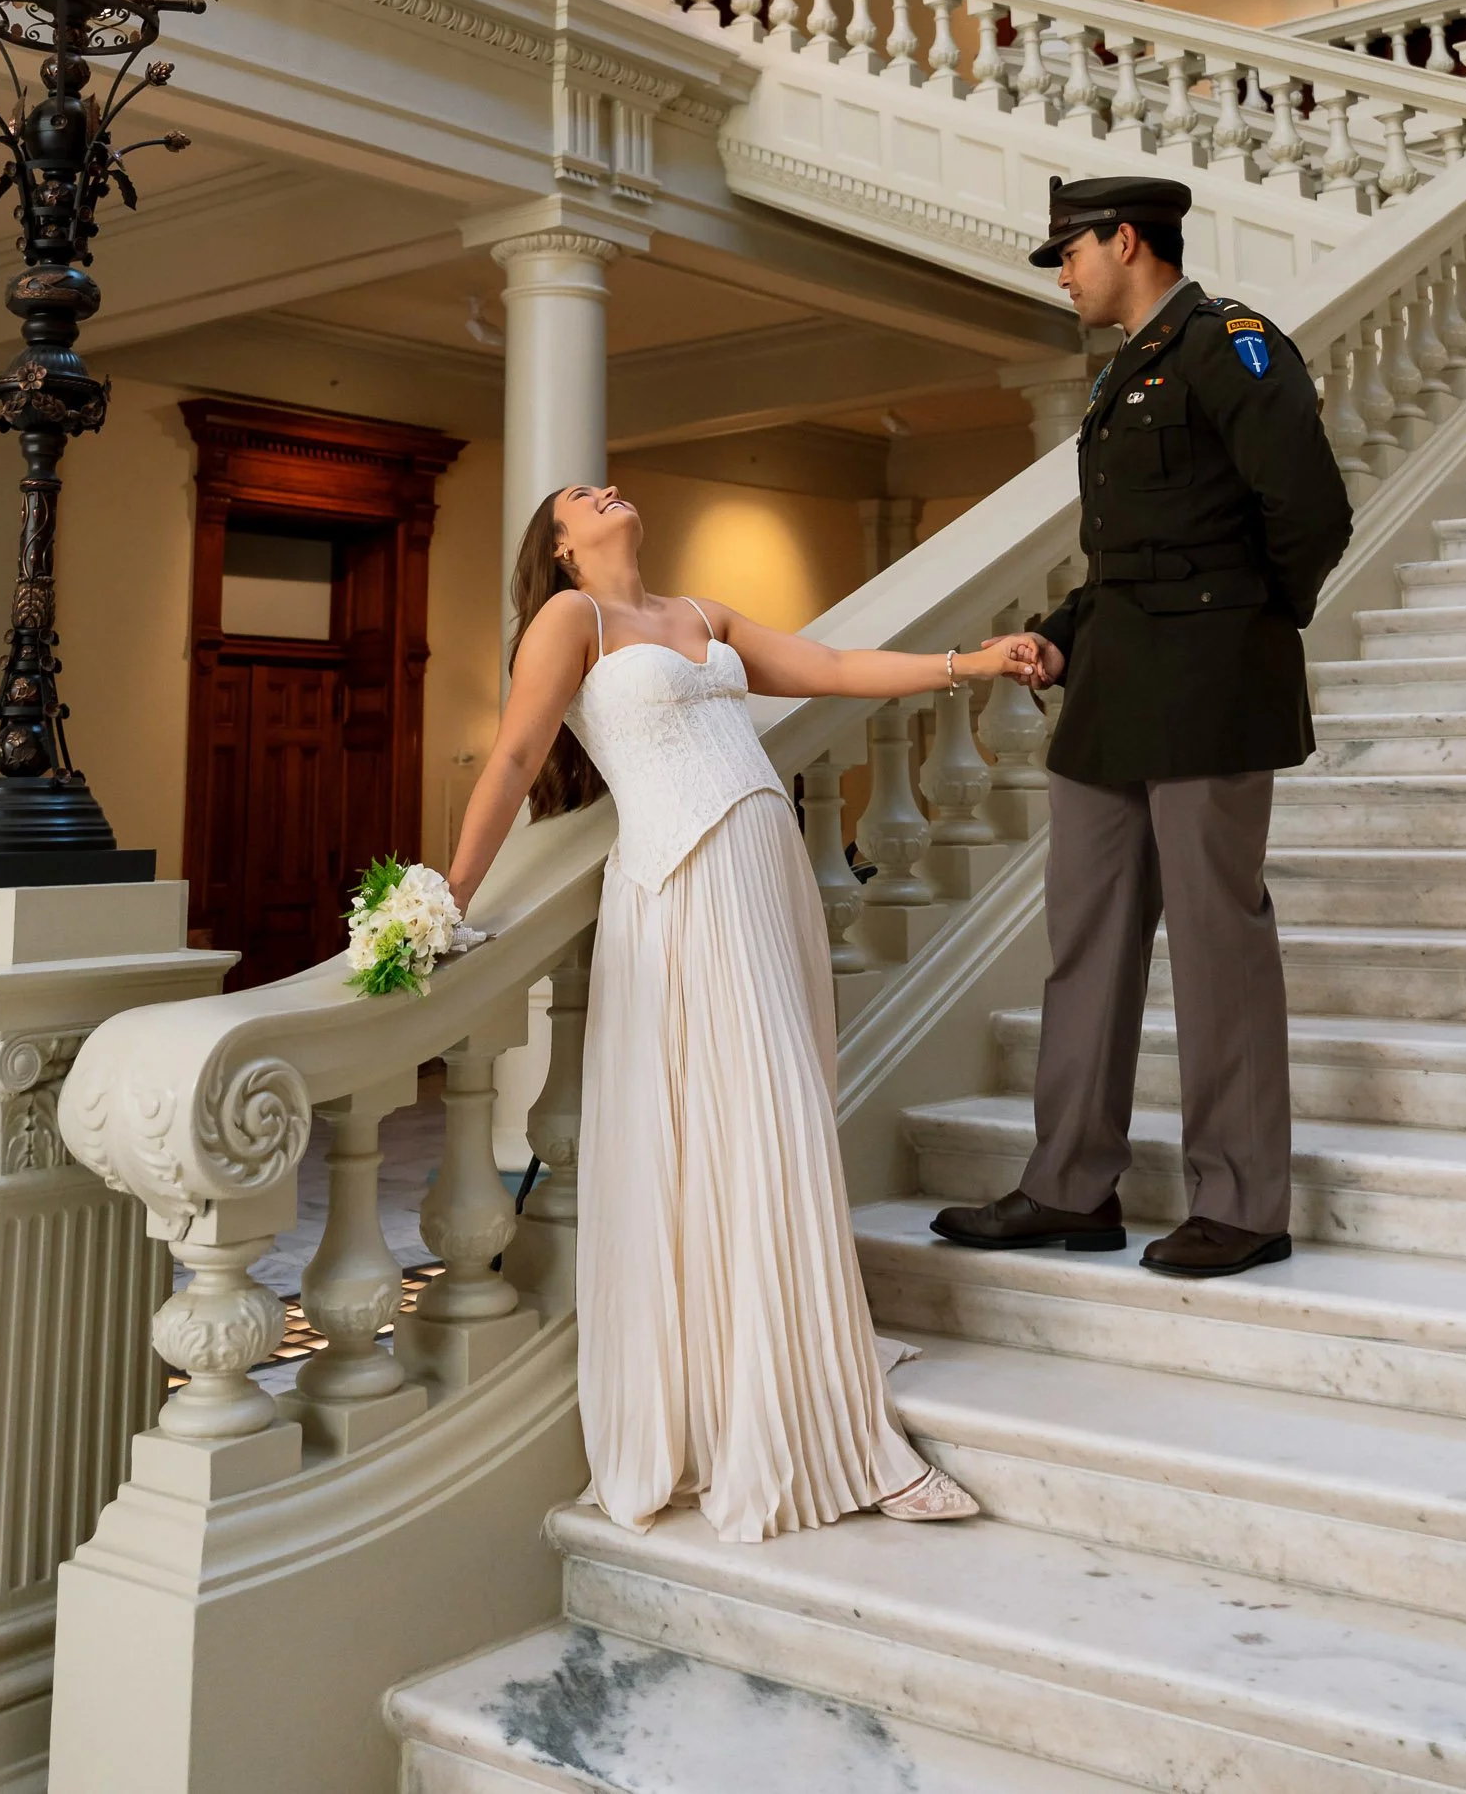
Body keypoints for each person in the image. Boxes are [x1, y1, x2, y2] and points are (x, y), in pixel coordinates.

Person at [445, 482, 1044, 1541]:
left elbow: (836, 669)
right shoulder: (567, 620)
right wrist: (446, 895)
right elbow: (511, 757)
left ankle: (801, 1349)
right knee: (762, 1125)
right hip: (682, 887)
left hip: (766, 874)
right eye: (583, 496)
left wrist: (970, 663)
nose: (606, 489)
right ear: (563, 547)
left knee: (781, 1117)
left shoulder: (700, 614)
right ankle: (831, 1431)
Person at [933, 177, 1353, 1279]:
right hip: (1114, 689)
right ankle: (1068, 1186)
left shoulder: (1232, 344)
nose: (1061, 273)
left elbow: (1309, 514)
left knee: (1217, 943)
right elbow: (1134, 548)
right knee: (1084, 941)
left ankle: (1243, 1201)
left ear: (1127, 241)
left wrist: (1239, 632)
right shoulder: (1125, 369)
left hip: (1207, 688)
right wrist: (1064, 628)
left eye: (1068, 252)